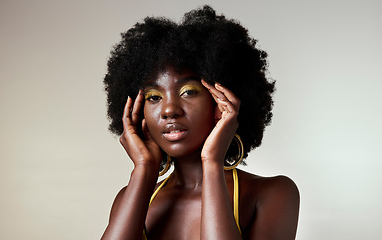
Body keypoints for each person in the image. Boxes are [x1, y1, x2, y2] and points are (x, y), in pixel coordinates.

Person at [101, 5, 299, 240]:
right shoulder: (130, 197)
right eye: (154, 97)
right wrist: (144, 168)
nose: (169, 110)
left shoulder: (272, 194)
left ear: (221, 102)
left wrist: (212, 163)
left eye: (188, 92)